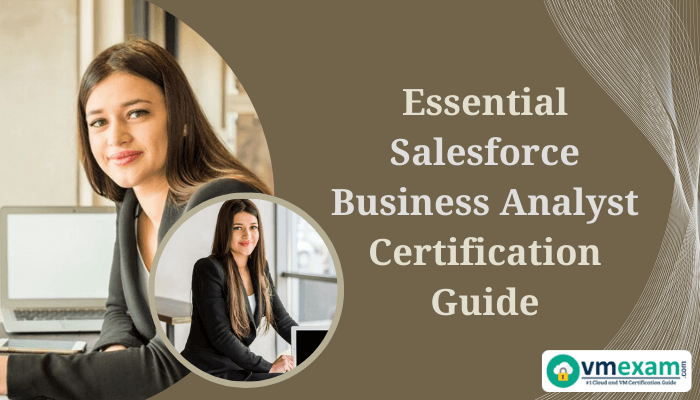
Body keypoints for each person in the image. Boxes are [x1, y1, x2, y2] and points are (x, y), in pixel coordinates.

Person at [0, 38, 272, 399]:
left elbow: (181, 363)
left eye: (136, 113)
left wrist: (10, 373)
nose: (116, 137)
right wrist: (116, 364)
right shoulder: (130, 205)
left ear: (181, 119)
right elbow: (119, 312)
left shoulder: (217, 200)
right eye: (98, 122)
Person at [182, 199, 298, 381]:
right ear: (225, 231)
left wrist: (312, 347)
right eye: (238, 228)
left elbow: (281, 320)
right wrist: (270, 367)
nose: (247, 235)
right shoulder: (207, 269)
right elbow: (221, 336)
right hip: (208, 369)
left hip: (239, 366)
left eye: (253, 227)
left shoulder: (260, 267)